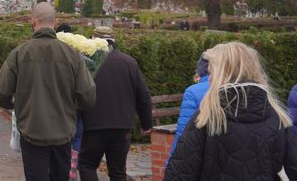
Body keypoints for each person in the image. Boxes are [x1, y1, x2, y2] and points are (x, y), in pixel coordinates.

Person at [165, 41, 297, 180]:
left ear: (221, 75)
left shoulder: (207, 118)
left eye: (211, 73)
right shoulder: (278, 119)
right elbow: (292, 170)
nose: (209, 79)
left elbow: (179, 174)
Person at [0, 2, 96, 181]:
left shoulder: (19, 54)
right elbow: (89, 96)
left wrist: (17, 105)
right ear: (55, 23)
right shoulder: (72, 55)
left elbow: (0, 93)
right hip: (62, 134)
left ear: (33, 22)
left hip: (32, 132)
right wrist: (70, 108)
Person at [78, 33, 152, 181]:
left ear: (93, 40)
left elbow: (78, 93)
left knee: (87, 165)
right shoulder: (129, 62)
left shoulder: (88, 64)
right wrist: (146, 124)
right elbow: (143, 95)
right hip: (122, 126)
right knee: (118, 171)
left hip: (93, 125)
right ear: (114, 41)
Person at [166, 55, 210, 164]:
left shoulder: (193, 91)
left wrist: (171, 162)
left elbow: (184, 131)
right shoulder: (241, 88)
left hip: (201, 152)